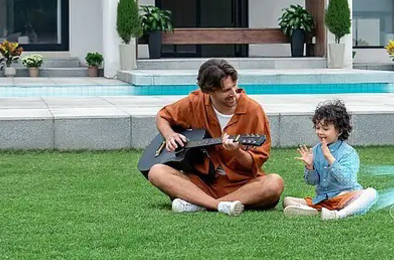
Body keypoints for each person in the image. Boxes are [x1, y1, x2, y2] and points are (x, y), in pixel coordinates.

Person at [147, 58, 284, 216]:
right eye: (226, 90)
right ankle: (218, 205)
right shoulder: (195, 102)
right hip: (202, 182)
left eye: (234, 86)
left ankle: (199, 203)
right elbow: (162, 116)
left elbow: (255, 162)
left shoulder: (253, 111)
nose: (234, 94)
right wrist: (169, 135)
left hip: (242, 185)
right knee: (156, 171)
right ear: (209, 91)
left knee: (275, 183)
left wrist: (237, 152)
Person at [283, 99, 377, 221]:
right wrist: (309, 167)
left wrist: (330, 158)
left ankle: (338, 215)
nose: (320, 132)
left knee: (371, 193)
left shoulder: (348, 153)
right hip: (324, 200)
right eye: (318, 128)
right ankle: (313, 211)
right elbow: (312, 182)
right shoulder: (315, 151)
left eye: (325, 129)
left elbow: (347, 180)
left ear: (339, 131)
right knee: (287, 200)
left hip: (345, 197)